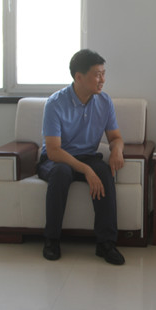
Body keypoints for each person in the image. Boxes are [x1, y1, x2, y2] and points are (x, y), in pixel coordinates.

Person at [37, 49, 125, 265]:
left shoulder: (104, 102)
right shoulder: (55, 103)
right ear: (79, 77)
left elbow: (115, 137)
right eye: (97, 74)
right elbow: (54, 151)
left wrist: (117, 150)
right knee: (61, 173)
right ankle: (51, 240)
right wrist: (86, 170)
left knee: (104, 172)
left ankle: (106, 243)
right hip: (57, 159)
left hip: (87, 156)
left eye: (104, 74)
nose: (102, 80)